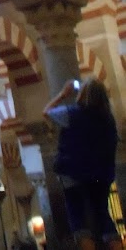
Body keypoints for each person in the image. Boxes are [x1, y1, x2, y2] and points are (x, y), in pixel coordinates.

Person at [44, 77, 123, 250]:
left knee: (78, 219)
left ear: (83, 94)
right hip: (101, 175)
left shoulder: (71, 113)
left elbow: (47, 111)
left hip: (73, 173)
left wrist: (63, 94)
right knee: (103, 214)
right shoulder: (108, 120)